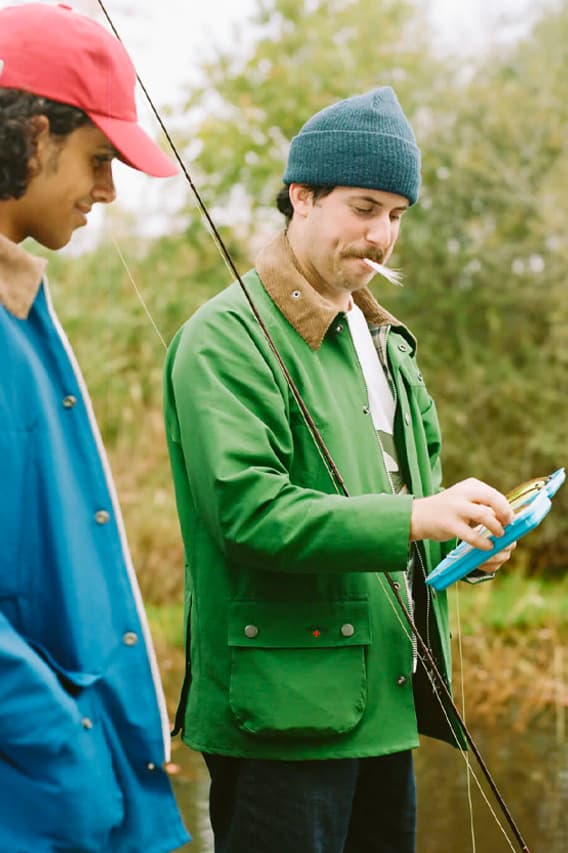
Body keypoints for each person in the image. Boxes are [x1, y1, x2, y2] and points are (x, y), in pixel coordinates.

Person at [164, 86, 514, 853]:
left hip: (386, 703)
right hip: (280, 716)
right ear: (302, 195)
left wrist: (470, 539)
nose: (382, 235)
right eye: (363, 207)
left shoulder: (388, 342)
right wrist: (417, 517)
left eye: (396, 214)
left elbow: (408, 502)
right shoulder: (223, 339)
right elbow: (249, 513)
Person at [0, 4, 190, 851]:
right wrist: (71, 748)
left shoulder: (23, 306)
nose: (109, 191)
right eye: (100, 159)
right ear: (34, 136)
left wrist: (122, 724)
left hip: (74, 797)